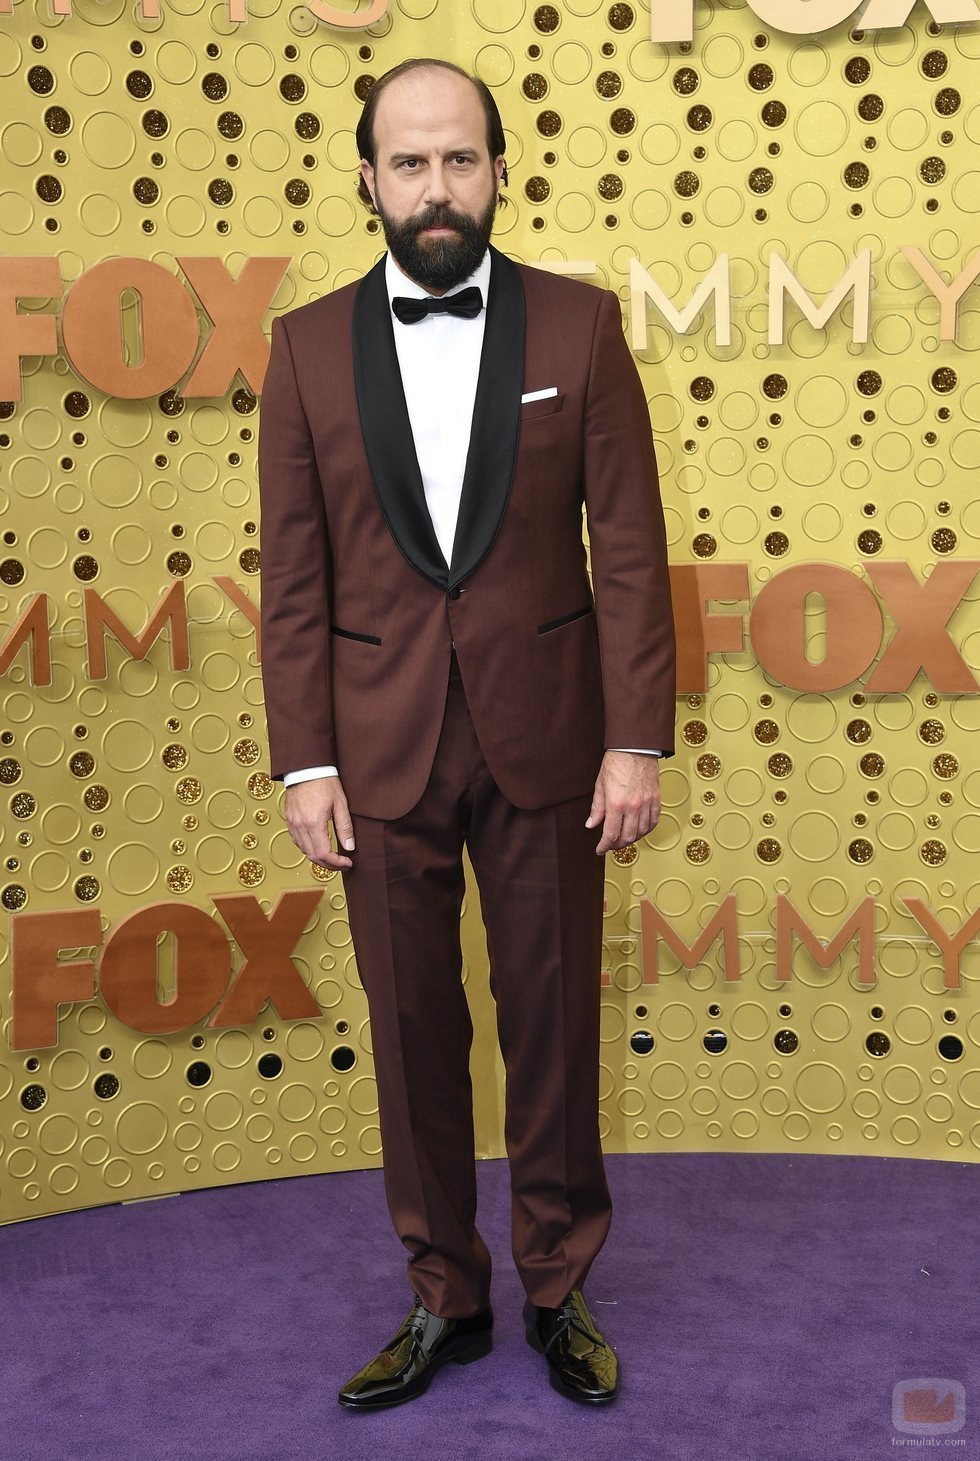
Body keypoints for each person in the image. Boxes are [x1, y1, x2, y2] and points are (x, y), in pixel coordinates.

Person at [258, 57, 676, 1410]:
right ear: (368, 178)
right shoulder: (307, 346)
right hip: (376, 752)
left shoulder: (582, 329)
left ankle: (558, 1284)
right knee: (413, 1035)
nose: (437, 188)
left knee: (553, 1021)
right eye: (411, 163)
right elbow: (297, 578)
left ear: (500, 168)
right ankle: (447, 1291)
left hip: (553, 739)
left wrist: (636, 738)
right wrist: (304, 759)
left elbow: (629, 546)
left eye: (460, 160)